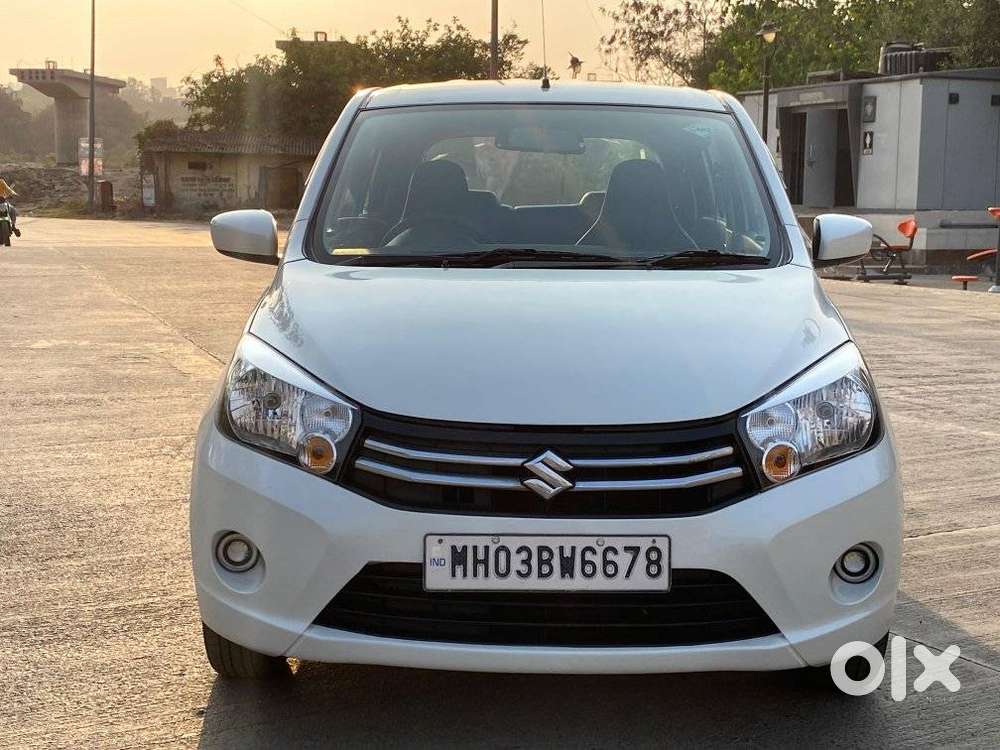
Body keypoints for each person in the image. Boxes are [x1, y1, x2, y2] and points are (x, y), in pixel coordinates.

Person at [0, 178, 19, 246]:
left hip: (2, 201)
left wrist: (13, 193)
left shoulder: (1, 181)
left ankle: (13, 226)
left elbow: (8, 189)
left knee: (12, 209)